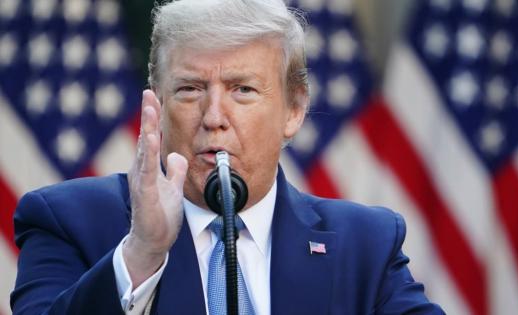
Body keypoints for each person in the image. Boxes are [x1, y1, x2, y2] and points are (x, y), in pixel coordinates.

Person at [10, 0, 444, 314]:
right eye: (190, 89)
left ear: (294, 111)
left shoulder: (365, 243)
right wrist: (142, 253)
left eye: (243, 90)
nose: (214, 117)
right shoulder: (65, 219)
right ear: (157, 105)